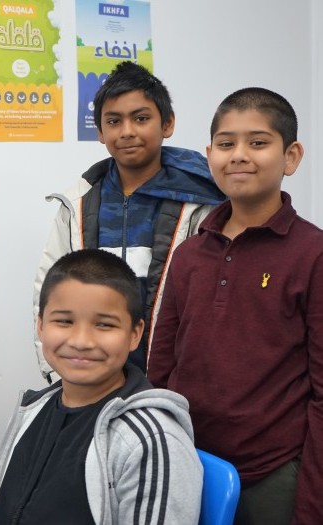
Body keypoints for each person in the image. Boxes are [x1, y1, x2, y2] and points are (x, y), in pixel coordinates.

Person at [148, 87, 323, 524]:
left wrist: (310, 504)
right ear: (210, 155)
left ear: (291, 156)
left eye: (258, 142)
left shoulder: (313, 254)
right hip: (188, 463)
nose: (239, 155)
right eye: (226, 144)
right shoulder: (188, 254)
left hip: (273, 474)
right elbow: (162, 367)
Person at [0, 249, 203, 524]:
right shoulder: (32, 411)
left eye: (104, 325)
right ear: (40, 325)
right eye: (64, 321)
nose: (81, 341)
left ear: (134, 334)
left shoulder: (150, 442)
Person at [34, 61, 224, 382]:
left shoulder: (200, 202)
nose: (127, 131)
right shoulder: (78, 204)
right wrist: (57, 374)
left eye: (141, 118)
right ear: (100, 132)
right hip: (94, 378)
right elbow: (47, 290)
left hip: (175, 381)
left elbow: (210, 302)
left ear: (167, 123)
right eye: (113, 121)